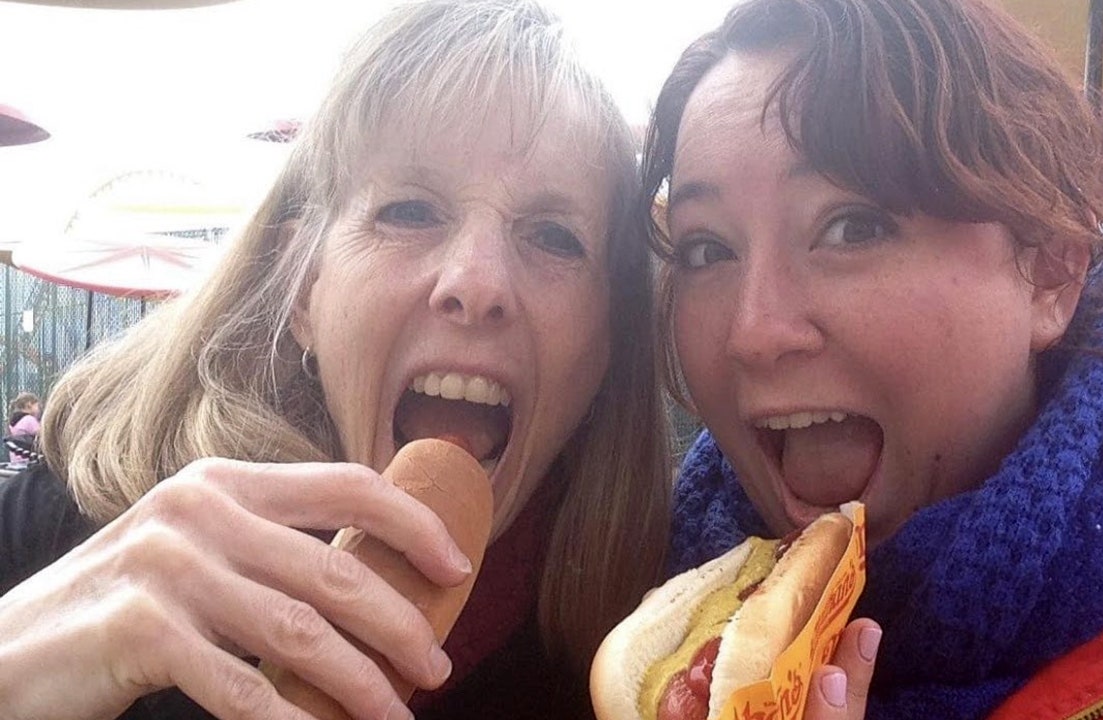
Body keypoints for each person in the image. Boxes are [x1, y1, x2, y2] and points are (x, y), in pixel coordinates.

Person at [0, 1, 670, 718]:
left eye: (554, 236)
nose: (476, 284)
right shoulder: (63, 537)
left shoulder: (648, 663)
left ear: (606, 348)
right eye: (410, 211)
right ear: (305, 289)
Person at [640, 0, 1103, 718]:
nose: (751, 334)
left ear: (1051, 271)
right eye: (706, 249)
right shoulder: (647, 595)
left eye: (853, 227)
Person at [6, 391, 41, 465]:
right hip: (29, 460)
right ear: (29, 405)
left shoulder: (14, 422)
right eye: (37, 406)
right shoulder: (29, 420)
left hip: (15, 461)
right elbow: (43, 435)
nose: (38, 409)